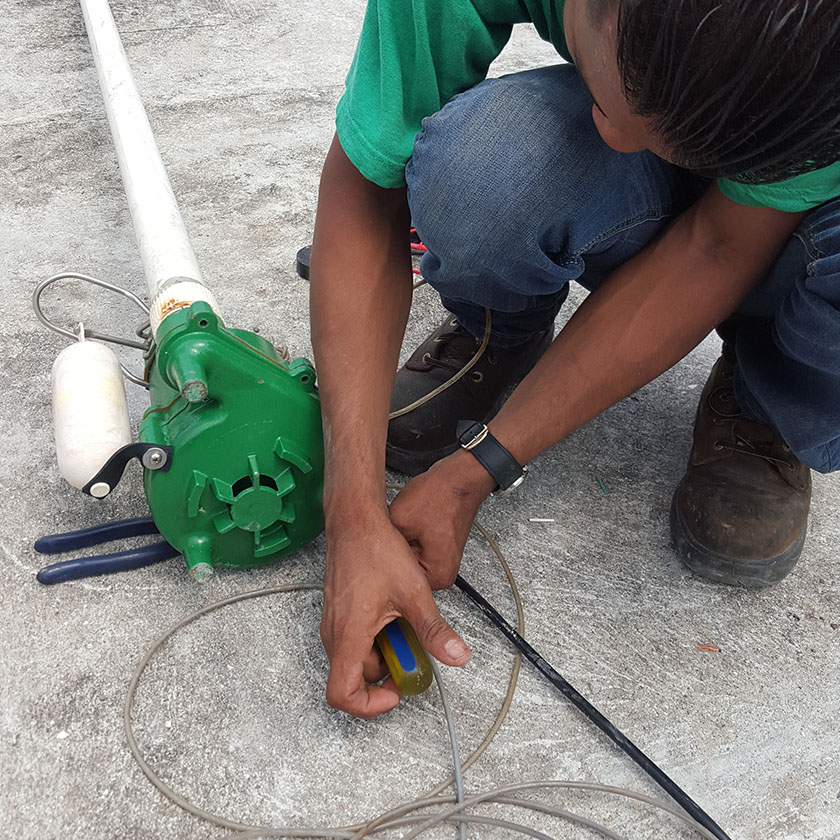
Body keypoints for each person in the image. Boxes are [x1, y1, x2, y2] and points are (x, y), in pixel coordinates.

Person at [308, 0, 840, 718]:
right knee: (481, 175)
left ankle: (765, 401)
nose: (618, 141)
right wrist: (352, 511)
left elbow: (717, 245)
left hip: (799, 214)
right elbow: (367, 190)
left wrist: (479, 468)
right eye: (619, 107)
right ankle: (503, 328)